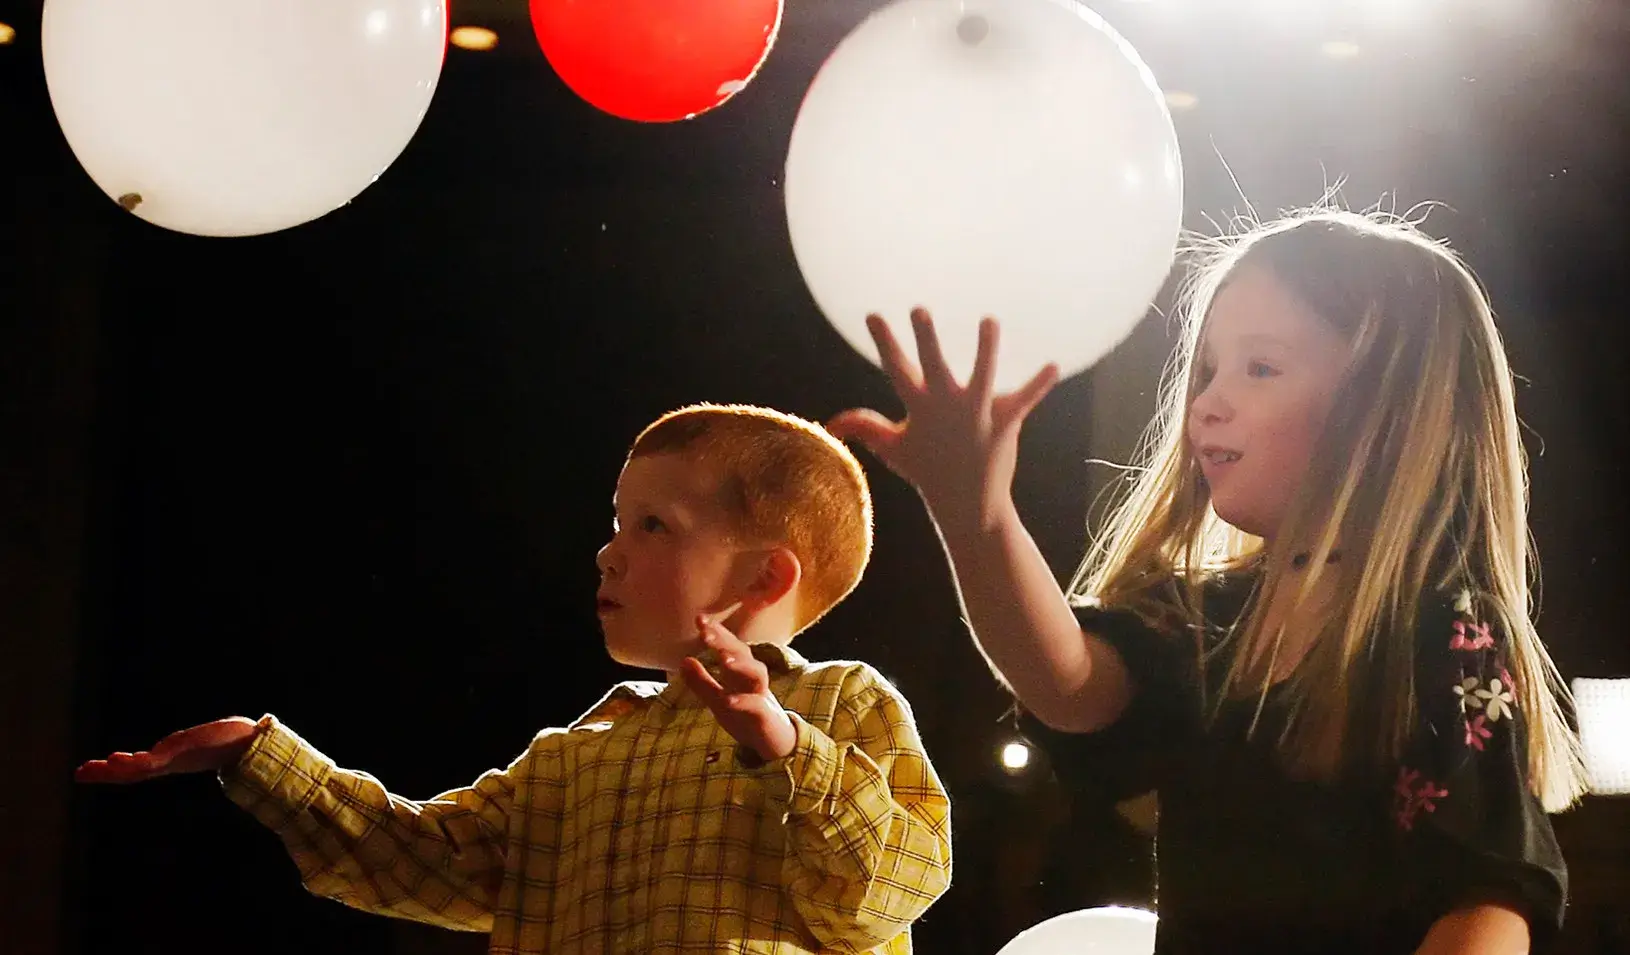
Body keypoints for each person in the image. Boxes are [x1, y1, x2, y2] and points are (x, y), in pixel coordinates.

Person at [829, 208, 1586, 955]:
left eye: (1260, 367)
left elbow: (1485, 905)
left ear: (1384, 407)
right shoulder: (1207, 620)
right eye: (1210, 369)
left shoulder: (1446, 631)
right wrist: (976, 516)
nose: (1208, 401)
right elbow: (1063, 680)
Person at [76, 403, 953, 955]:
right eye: (618, 521)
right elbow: (432, 864)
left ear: (764, 577)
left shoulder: (840, 702)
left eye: (654, 525)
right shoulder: (577, 754)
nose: (609, 550)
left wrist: (787, 748)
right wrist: (260, 758)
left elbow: (890, 893)